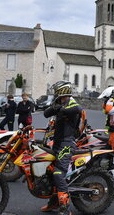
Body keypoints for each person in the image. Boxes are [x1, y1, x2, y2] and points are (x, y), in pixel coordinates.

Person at [40, 81, 82, 215]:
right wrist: (57, 106)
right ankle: (54, 202)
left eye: (57, 91)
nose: (55, 93)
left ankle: (65, 208)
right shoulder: (60, 103)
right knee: (50, 172)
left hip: (67, 144)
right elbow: (46, 113)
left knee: (58, 173)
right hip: (57, 143)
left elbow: (77, 109)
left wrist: (61, 108)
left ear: (63, 91)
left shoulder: (72, 103)